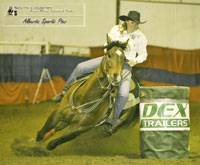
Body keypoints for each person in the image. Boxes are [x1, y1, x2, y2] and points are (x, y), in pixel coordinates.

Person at [53, 10, 148, 127]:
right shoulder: (116, 29)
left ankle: (112, 120)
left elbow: (143, 55)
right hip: (108, 60)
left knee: (123, 93)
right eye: (133, 22)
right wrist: (108, 54)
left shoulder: (141, 37)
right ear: (127, 21)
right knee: (81, 67)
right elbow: (106, 44)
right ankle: (64, 92)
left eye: (137, 23)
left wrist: (135, 60)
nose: (135, 25)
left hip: (125, 65)